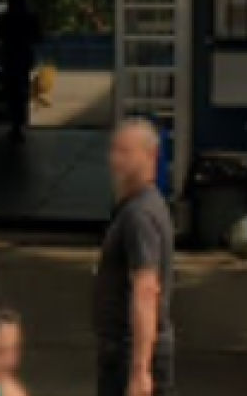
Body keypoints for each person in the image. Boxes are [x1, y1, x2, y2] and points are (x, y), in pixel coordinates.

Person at [95, 120, 175, 396]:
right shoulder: (136, 207)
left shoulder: (139, 216)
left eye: (125, 152)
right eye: (114, 151)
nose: (115, 159)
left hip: (130, 356)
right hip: (122, 354)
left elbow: (146, 290)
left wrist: (140, 371)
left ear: (151, 156)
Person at [0, 0, 43, 142]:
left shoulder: (5, 17)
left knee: (11, 91)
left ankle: (15, 125)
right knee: (21, 91)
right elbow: (39, 37)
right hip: (24, 58)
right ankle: (19, 124)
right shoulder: (31, 17)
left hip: (9, 57)